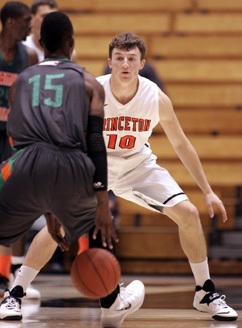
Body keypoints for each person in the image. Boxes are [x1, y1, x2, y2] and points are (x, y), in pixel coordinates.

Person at [1, 30, 237, 324]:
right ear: (109, 62)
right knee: (58, 225)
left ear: (142, 63)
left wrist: (208, 190)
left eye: (131, 59)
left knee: (188, 213)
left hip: (137, 165)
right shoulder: (89, 91)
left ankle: (205, 292)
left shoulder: (156, 97)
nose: (125, 64)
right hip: (90, 166)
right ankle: (16, 292)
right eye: (119, 58)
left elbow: (181, 144)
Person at [0, 13, 145, 327]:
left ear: (39, 43)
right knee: (97, 228)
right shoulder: (88, 82)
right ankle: (110, 301)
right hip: (70, 164)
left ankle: (12, 296)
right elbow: (95, 144)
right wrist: (102, 203)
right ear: (71, 43)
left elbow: (15, 139)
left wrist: (45, 203)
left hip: (23, 163)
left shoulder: (21, 80)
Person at [0, 1, 39, 297]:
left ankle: (10, 271)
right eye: (27, 20)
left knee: (14, 203)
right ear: (11, 21)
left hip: (14, 139)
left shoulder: (30, 56)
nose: (31, 24)